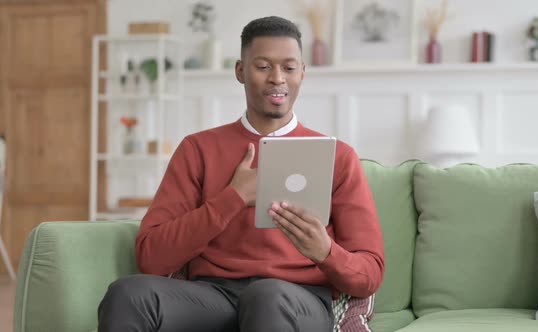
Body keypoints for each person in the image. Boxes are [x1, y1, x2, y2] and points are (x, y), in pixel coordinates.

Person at [98, 16, 384, 332]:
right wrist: (232, 198)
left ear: (302, 73)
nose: (277, 78)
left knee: (266, 296)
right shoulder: (198, 149)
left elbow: (369, 273)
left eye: (289, 68)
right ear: (240, 71)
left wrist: (325, 252)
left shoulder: (338, 156)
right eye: (263, 67)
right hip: (215, 296)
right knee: (128, 294)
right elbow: (151, 257)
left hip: (297, 301)